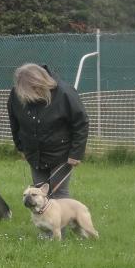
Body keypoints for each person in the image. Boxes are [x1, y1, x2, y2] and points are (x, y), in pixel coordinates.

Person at [7, 64, 89, 197]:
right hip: (34, 153)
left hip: (61, 152)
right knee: (39, 193)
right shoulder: (16, 94)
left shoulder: (65, 93)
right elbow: (14, 123)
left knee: (58, 192)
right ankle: (45, 218)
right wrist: (21, 147)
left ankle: (65, 218)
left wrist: (76, 153)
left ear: (38, 85)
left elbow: (81, 123)